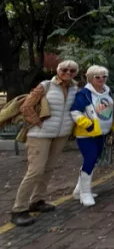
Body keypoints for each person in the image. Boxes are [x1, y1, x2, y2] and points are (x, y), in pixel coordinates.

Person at [11, 60, 79, 226]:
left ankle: (38, 200)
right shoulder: (46, 85)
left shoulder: (75, 89)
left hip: (61, 134)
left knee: (49, 169)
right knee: (35, 170)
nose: (68, 73)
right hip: (40, 135)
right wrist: (38, 123)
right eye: (64, 69)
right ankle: (18, 209)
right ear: (58, 70)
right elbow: (26, 106)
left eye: (72, 70)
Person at [70, 65, 114, 207]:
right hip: (87, 134)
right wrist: (88, 124)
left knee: (92, 160)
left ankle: (79, 190)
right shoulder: (84, 94)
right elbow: (75, 112)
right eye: (97, 77)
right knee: (90, 159)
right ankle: (85, 193)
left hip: (102, 133)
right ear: (90, 78)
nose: (101, 79)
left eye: (104, 77)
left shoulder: (108, 92)